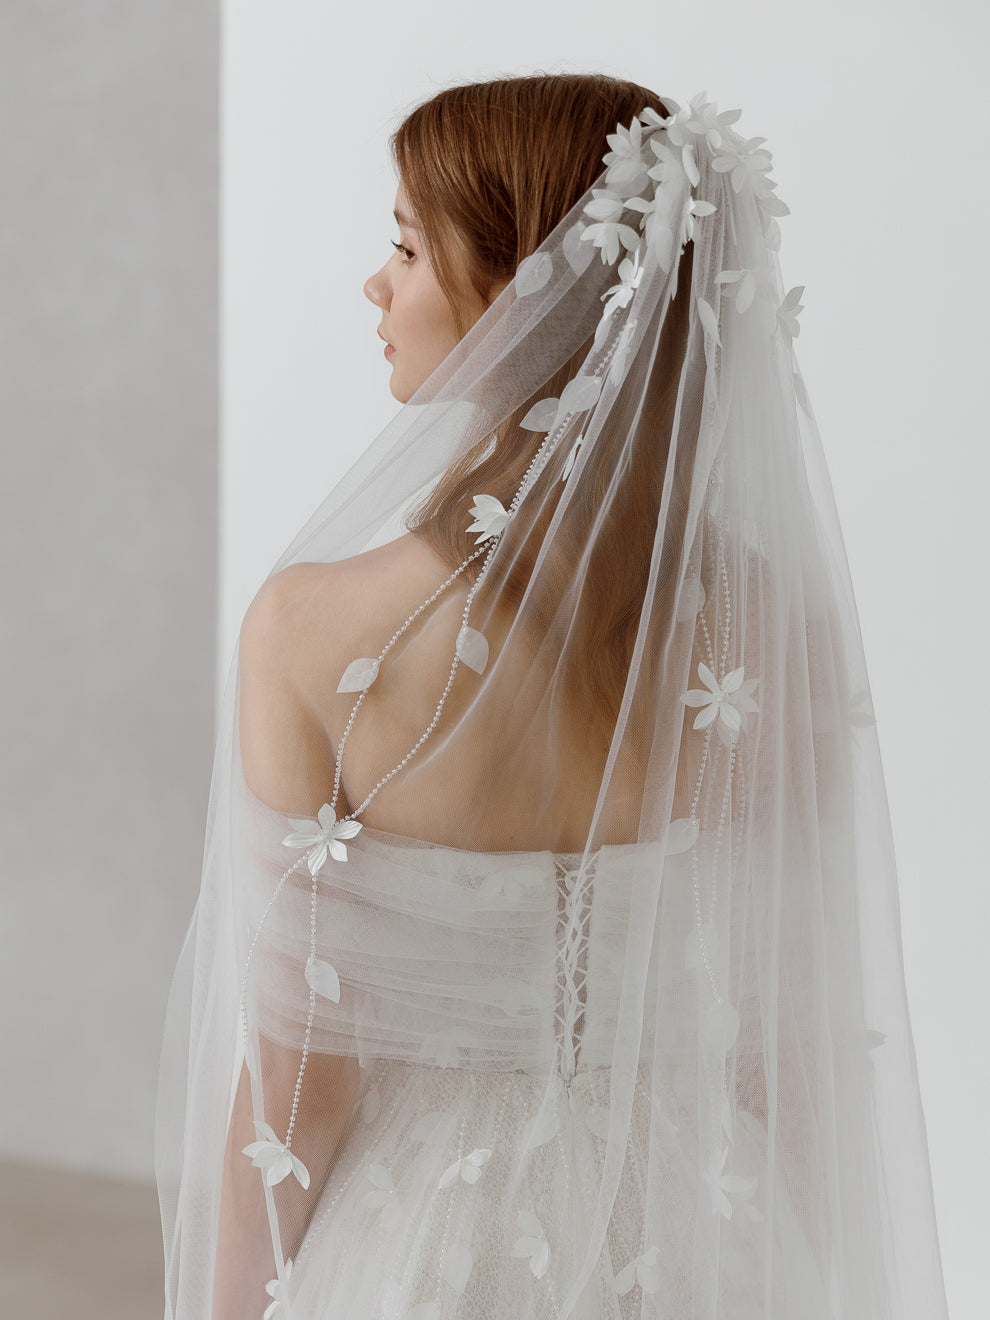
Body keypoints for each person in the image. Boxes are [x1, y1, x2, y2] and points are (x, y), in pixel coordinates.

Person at [155, 74, 950, 1319]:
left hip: (430, 1254)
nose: (378, 285)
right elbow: (787, 1059)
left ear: (521, 292)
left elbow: (300, 1080)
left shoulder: (310, 633)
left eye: (409, 248)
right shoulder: (767, 633)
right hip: (708, 1237)